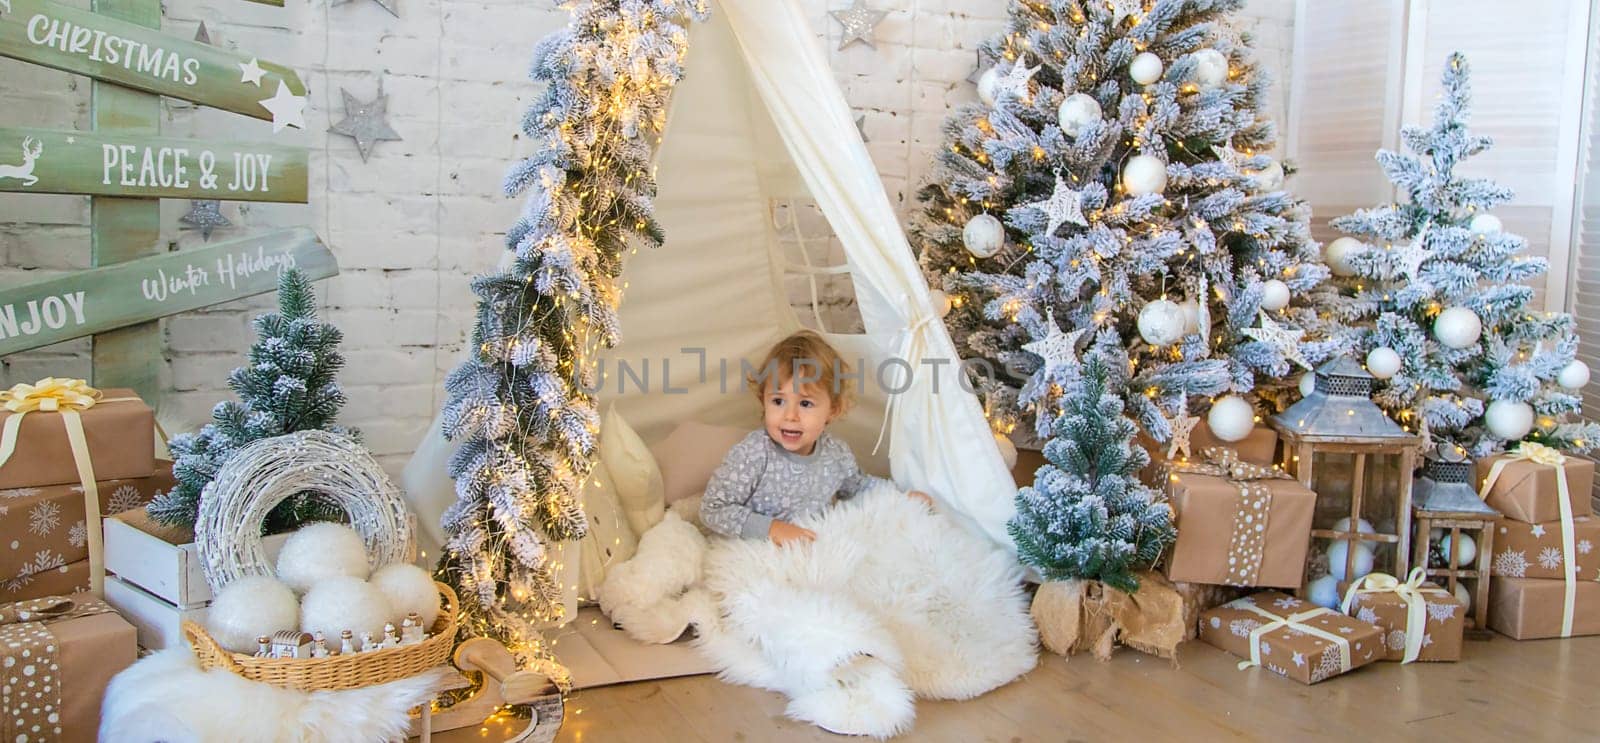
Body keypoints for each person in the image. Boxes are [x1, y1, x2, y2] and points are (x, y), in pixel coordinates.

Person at [700, 330, 932, 545]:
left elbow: (859, 487)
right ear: (764, 400)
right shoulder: (754, 453)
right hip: (754, 547)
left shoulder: (836, 454)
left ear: (833, 409)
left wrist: (901, 498)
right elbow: (713, 509)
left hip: (810, 548)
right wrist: (774, 529)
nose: (790, 416)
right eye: (778, 401)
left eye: (805, 403)